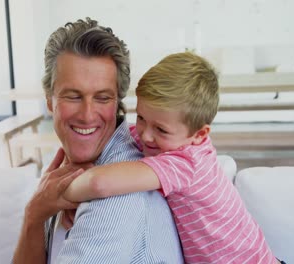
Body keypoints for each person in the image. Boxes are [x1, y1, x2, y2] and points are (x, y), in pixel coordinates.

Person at [63, 52, 281, 263]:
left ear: (200, 134)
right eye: (140, 117)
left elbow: (99, 183)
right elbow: (113, 136)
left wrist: (59, 195)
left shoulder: (184, 163)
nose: (145, 134)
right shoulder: (174, 140)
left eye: (161, 129)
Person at [12, 18, 183, 263]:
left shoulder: (118, 194)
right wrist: (35, 215)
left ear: (117, 104)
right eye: (73, 96)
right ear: (50, 101)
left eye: (102, 98)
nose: (87, 115)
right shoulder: (64, 168)